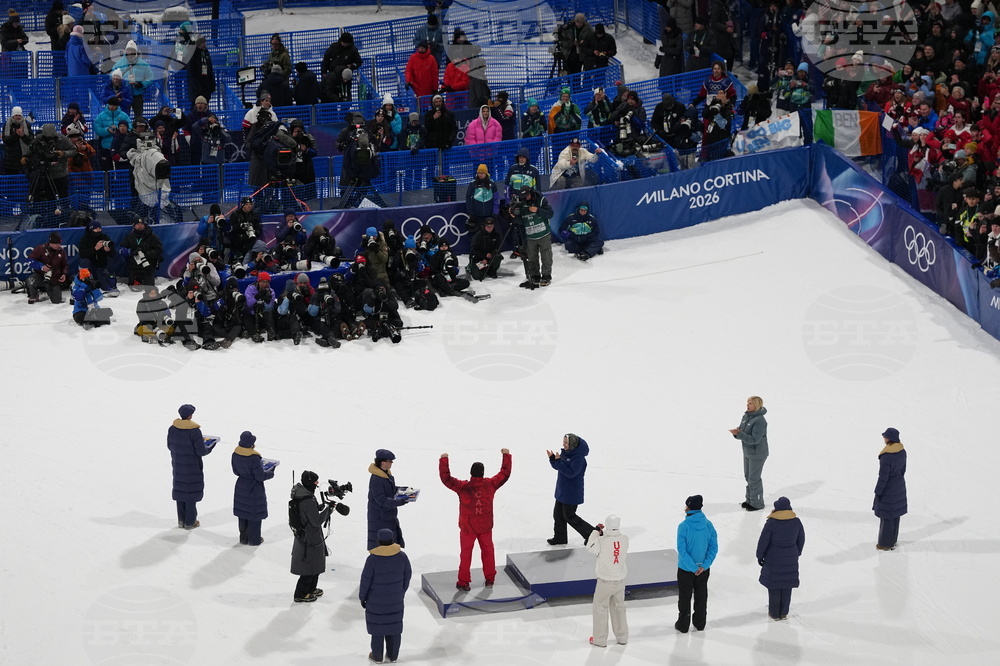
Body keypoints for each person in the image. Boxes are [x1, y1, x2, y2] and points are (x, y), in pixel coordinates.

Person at [439, 449, 512, 590]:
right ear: (483, 473)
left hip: (468, 528)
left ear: (471, 473)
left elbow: (446, 479)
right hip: (485, 528)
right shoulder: (490, 485)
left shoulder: (463, 487)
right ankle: (490, 578)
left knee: (466, 554)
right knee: (488, 552)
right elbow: (505, 474)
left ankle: (463, 581)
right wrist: (506, 455)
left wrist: (444, 460)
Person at [360, 528, 412, 664]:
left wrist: (362, 597)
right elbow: (407, 576)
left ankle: (377, 656)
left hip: (375, 601)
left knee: (377, 629)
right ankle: (393, 655)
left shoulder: (372, 559)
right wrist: (401, 592)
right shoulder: (402, 557)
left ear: (378, 541)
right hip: (395, 600)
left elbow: (365, 581)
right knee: (394, 627)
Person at [756, 496, 805, 620]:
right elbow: (801, 539)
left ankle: (774, 613)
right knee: (787, 586)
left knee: (774, 586)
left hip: (773, 558)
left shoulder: (772, 523)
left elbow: (763, 541)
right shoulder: (796, 521)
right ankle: (783, 612)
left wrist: (760, 556)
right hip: (791, 557)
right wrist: (796, 552)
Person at [290, 470, 335, 603]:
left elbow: (309, 514)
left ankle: (311, 588)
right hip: (310, 537)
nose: (317, 483)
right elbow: (316, 522)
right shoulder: (308, 500)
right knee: (309, 566)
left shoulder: (302, 495)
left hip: (306, 535)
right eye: (315, 481)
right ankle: (301, 593)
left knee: (314, 563)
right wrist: (328, 510)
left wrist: (318, 508)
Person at [676, 495, 718, 633]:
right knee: (701, 595)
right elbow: (713, 547)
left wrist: (693, 568)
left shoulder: (684, 526)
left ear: (689, 507)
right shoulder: (709, 525)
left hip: (685, 569)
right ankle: (700, 623)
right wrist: (703, 566)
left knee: (685, 596)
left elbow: (682, 550)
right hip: (703, 570)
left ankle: (683, 625)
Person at [167, 404, 212, 529]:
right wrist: (210, 447)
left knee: (180, 491)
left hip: (178, 464)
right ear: (190, 415)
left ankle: (181, 520)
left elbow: (170, 445)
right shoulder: (194, 431)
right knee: (190, 493)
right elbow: (201, 451)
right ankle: (190, 521)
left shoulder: (172, 428)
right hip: (192, 467)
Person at [586, 515, 629, 647]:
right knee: (619, 607)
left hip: (605, 580)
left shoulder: (601, 541)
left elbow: (589, 546)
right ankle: (622, 636)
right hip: (620, 579)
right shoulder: (625, 539)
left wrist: (595, 531)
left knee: (600, 607)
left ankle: (600, 639)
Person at [547, 433, 595, 545]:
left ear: (572, 444)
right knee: (558, 515)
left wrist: (559, 462)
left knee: (569, 516)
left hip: (571, 493)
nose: (563, 444)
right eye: (563, 442)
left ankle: (592, 534)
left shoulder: (579, 459)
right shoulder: (566, 454)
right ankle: (560, 537)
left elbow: (570, 473)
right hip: (562, 491)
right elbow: (558, 467)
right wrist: (553, 459)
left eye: (566, 443)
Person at [231, 431, 274, 547]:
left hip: (241, 486)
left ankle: (243, 538)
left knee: (243, 513)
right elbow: (260, 476)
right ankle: (254, 539)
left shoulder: (235, 453)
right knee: (254, 514)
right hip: (253, 488)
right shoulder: (254, 457)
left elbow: (235, 471)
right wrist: (271, 472)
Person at [729, 396, 769, 511]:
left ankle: (757, 504)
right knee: (748, 476)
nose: (748, 405)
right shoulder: (746, 416)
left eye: (750, 403)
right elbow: (743, 432)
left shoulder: (760, 421)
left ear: (756, 405)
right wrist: (737, 433)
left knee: (754, 478)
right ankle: (750, 500)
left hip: (757, 453)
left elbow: (754, 439)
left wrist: (740, 434)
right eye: (747, 403)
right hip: (747, 452)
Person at [510, 185, 554, 289]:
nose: (526, 198)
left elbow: (550, 214)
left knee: (546, 257)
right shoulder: (521, 204)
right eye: (524, 196)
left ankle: (546, 276)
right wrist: (514, 217)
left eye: (527, 195)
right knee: (532, 258)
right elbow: (521, 221)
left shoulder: (541, 200)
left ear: (531, 193)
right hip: (530, 237)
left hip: (543, 234)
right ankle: (535, 276)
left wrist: (538, 210)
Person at [367, 449, 410, 550]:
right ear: (383, 462)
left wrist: (404, 491)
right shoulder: (377, 479)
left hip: (388, 516)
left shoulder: (386, 475)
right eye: (390, 461)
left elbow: (391, 490)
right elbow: (381, 500)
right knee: (382, 546)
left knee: (392, 544)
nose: (391, 463)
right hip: (380, 518)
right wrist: (400, 502)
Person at [874, 427, 907, 551]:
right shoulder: (902, 451)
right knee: (895, 515)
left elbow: (883, 477)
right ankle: (893, 540)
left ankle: (884, 544)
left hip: (888, 489)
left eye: (885, 436)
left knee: (886, 517)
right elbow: (903, 470)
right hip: (899, 485)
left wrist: (878, 491)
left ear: (889, 438)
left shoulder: (886, 456)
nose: (884, 438)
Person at [78, 218, 119, 296]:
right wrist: (95, 248)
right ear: (91, 229)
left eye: (99, 228)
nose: (98, 230)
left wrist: (108, 250)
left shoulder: (105, 238)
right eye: (96, 229)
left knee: (104, 287)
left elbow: (113, 254)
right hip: (91, 267)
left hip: (101, 267)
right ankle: (83, 283)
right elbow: (82, 254)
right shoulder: (85, 240)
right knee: (84, 261)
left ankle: (111, 284)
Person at [119, 218, 163, 288]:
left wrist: (146, 254)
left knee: (149, 288)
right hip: (134, 268)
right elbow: (121, 250)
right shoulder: (129, 236)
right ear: (133, 225)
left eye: (142, 224)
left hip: (148, 267)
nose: (140, 226)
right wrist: (131, 252)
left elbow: (159, 249)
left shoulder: (151, 236)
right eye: (138, 224)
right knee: (132, 289)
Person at [26, 232, 67, 304]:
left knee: (56, 301)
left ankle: (48, 290)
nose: (58, 246)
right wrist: (41, 266)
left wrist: (64, 274)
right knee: (31, 280)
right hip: (40, 275)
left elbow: (65, 265)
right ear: (50, 243)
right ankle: (34, 295)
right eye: (56, 244)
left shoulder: (61, 251)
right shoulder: (40, 249)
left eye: (59, 243)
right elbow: (30, 260)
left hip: (54, 277)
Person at [114, 40, 153, 117]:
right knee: (124, 117)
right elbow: (112, 75)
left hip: (138, 95)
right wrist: (119, 83)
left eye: (132, 50)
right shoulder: (119, 63)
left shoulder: (143, 64)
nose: (130, 52)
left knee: (138, 117)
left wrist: (142, 84)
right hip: (124, 95)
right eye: (129, 50)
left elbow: (150, 77)